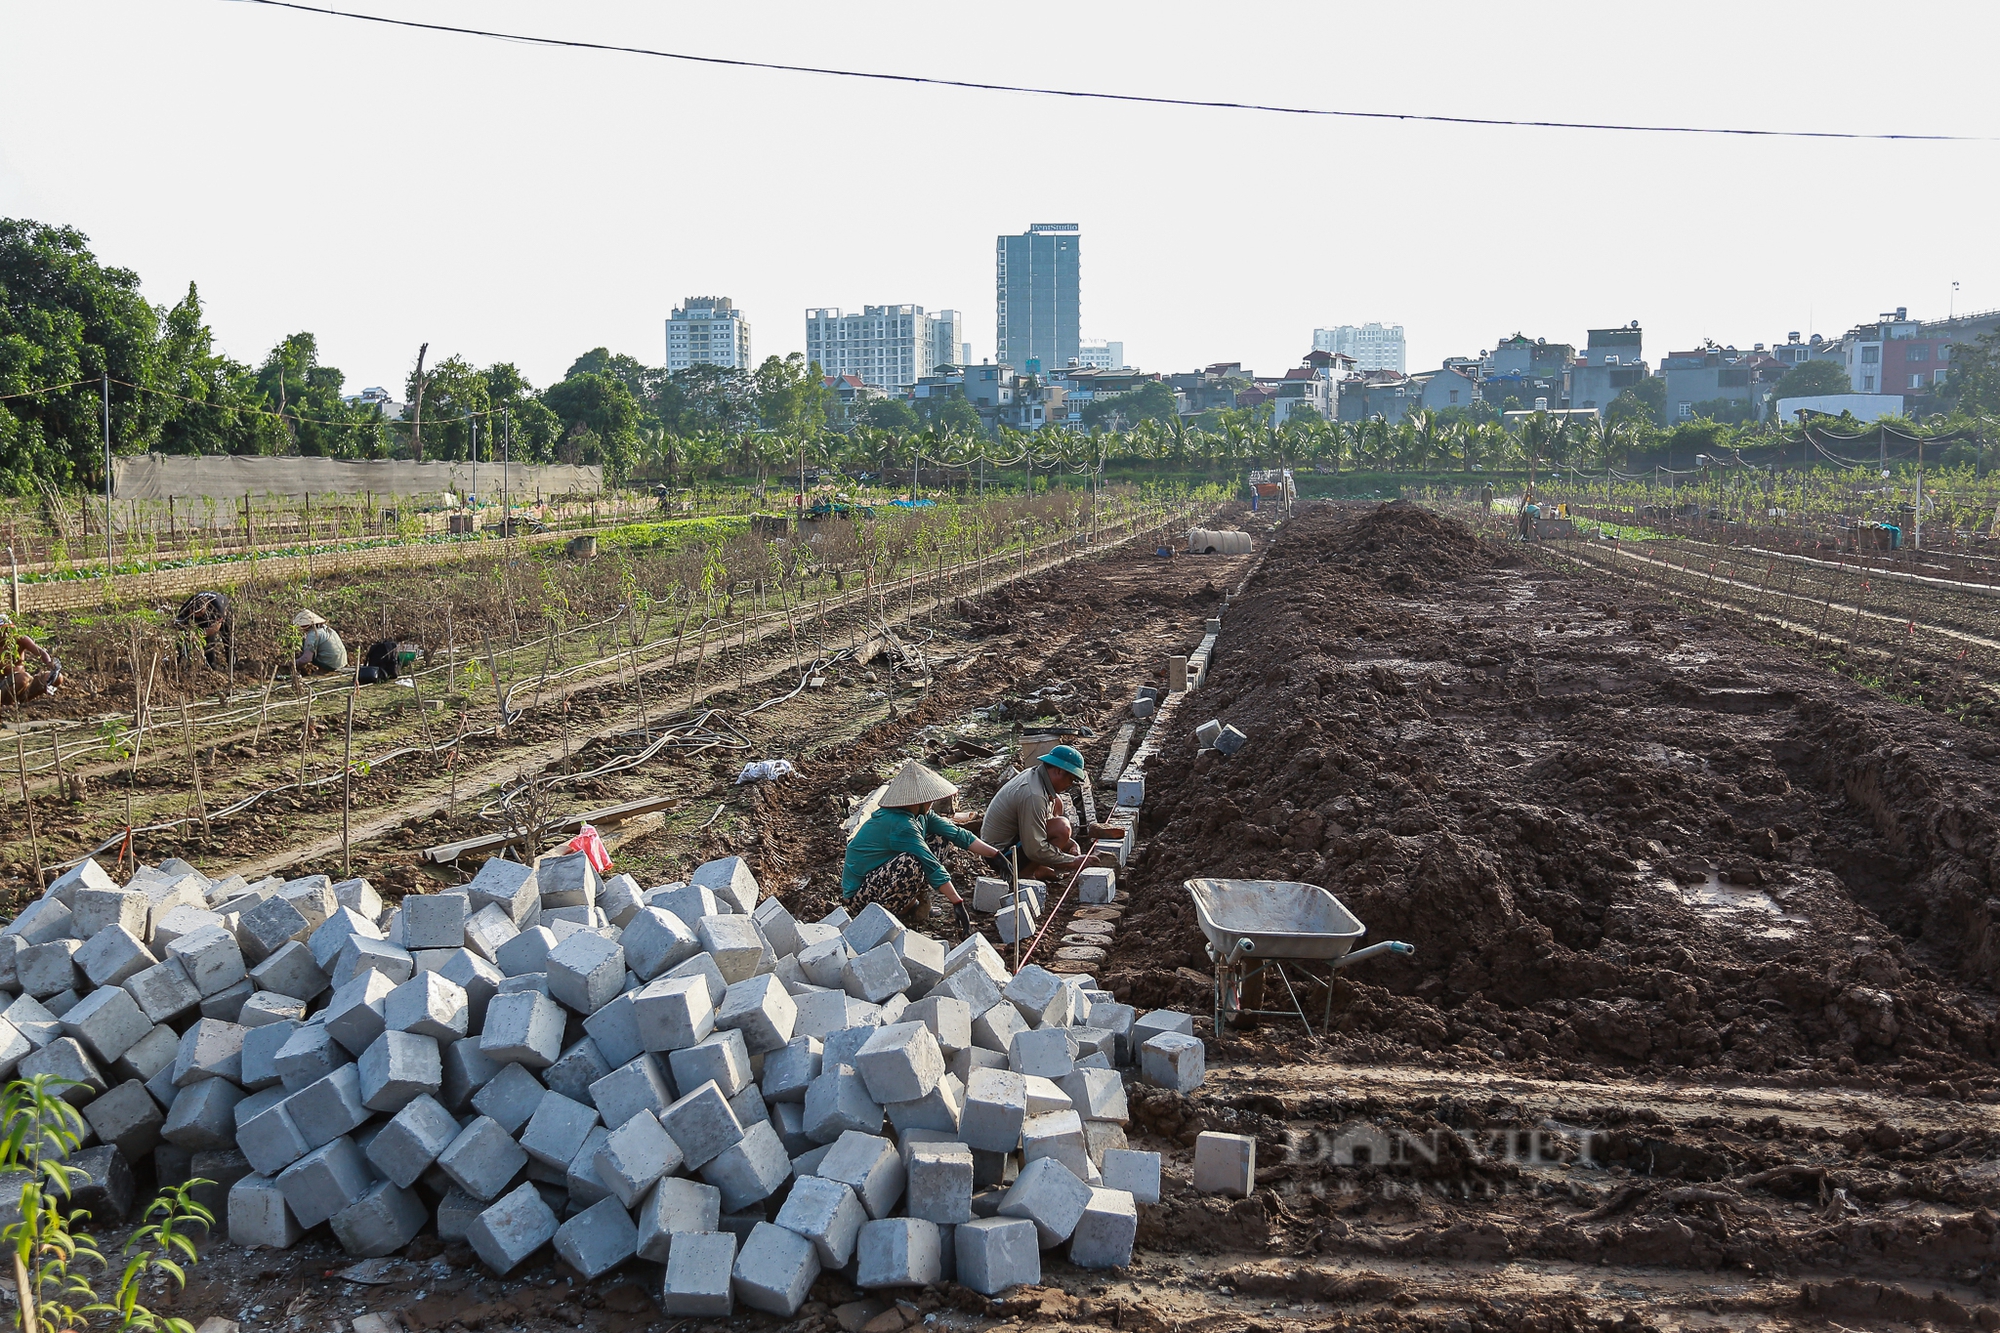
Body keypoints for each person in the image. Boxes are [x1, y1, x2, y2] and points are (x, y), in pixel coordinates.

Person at [842, 761, 999, 931]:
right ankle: (885, 917)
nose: (932, 804)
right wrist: (957, 902)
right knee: (911, 862)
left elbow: (957, 834)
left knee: (941, 838)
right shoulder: (899, 823)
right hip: (859, 895)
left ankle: (911, 903)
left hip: (880, 877)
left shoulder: (920, 815)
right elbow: (930, 863)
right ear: (919, 800)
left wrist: (996, 855)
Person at [979, 744, 1117, 880]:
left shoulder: (1036, 775)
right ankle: (1025, 873)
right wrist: (1073, 862)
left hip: (1011, 842)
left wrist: (1071, 844)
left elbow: (1039, 829)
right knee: (1061, 827)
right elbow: (1035, 849)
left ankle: (1037, 868)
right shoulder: (1034, 795)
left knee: (1057, 803)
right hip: (1000, 857)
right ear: (1059, 771)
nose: (1070, 784)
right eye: (1071, 779)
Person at [0, 614, 61, 705]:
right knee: (23, 678)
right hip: (4, 687)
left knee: (57, 677)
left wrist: (50, 663)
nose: (6, 634)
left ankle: (24, 701)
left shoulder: (20, 640)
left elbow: (40, 652)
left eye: (8, 630)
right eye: (2, 630)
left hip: (23, 684)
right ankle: (8, 704)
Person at [173, 591, 233, 670]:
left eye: (199, 613)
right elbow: (179, 623)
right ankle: (211, 666)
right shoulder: (188, 605)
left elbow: (215, 628)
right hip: (205, 614)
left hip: (225, 612)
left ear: (206, 606)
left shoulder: (219, 607)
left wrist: (199, 636)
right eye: (195, 613)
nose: (197, 615)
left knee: (227, 637)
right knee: (207, 642)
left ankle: (232, 663)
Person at [293, 610, 348, 675]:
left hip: (329, 664)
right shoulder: (327, 629)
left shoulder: (312, 634)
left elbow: (307, 658)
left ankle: (323, 670)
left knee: (308, 650)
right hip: (341, 662)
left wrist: (293, 664)